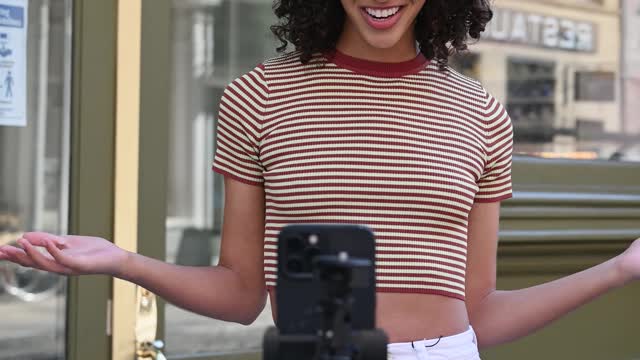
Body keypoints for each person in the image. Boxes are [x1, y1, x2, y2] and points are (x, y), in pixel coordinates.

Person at [1, 1, 639, 359]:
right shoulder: (259, 96)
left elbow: (480, 313)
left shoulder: (479, 112)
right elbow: (241, 292)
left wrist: (619, 270)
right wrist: (123, 261)